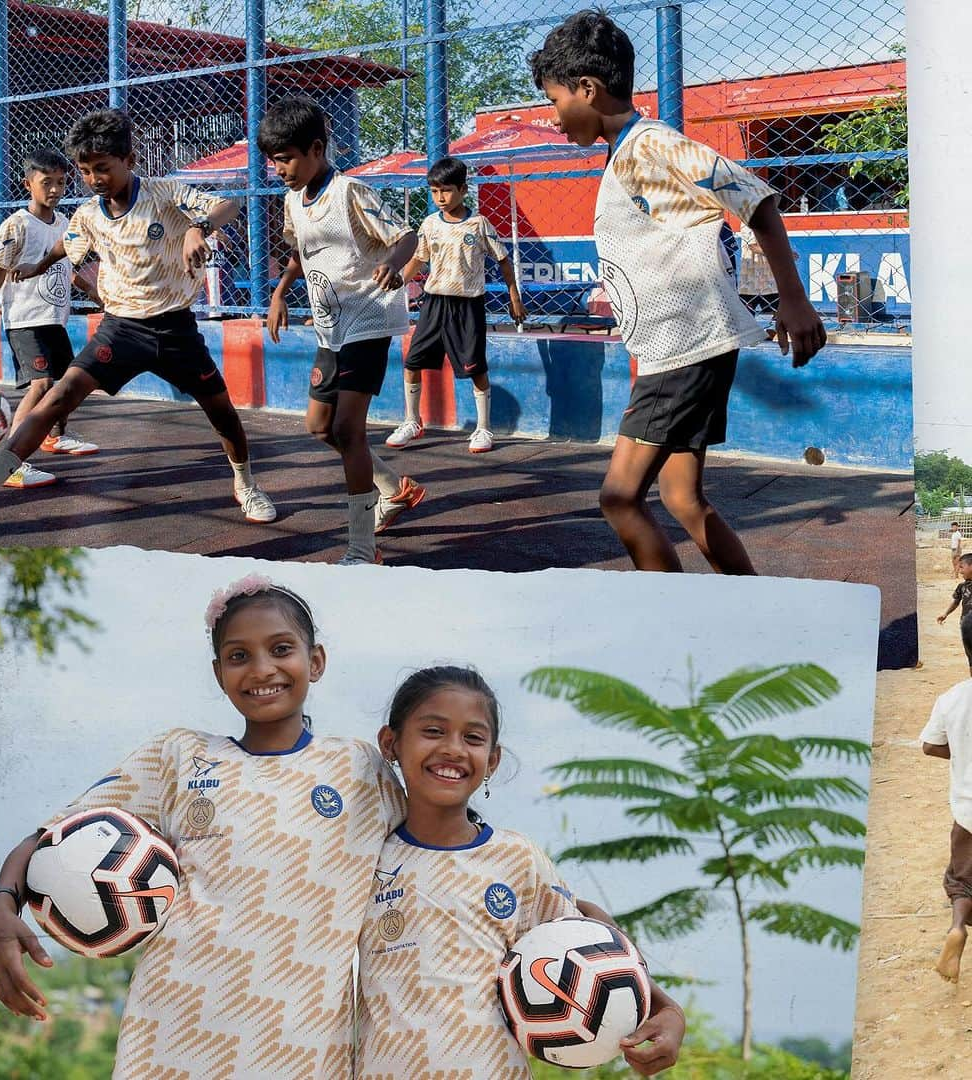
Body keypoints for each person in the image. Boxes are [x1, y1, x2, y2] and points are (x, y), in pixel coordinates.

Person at [0, 575, 406, 1078]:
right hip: (171, 1034)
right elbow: (48, 840)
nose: (262, 669)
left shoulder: (359, 767)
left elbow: (425, 861)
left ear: (315, 662)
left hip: (303, 1048)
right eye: (239, 656)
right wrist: (0, 907)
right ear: (218, 671)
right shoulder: (180, 756)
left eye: (281, 648)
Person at [530, 11, 826, 574]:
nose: (554, 117)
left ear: (588, 90)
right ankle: (761, 611)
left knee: (619, 498)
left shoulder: (650, 145)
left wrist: (794, 298)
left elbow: (755, 198)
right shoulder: (627, 154)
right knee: (683, 498)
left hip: (686, 349)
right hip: (682, 348)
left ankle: (674, 625)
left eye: (555, 100)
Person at [0, 109, 276, 536]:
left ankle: (246, 484)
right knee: (58, 396)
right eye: (85, 171)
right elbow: (67, 243)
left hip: (175, 329)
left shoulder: (165, 193)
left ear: (129, 160)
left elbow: (231, 202)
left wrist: (197, 229)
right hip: (121, 328)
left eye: (102, 168)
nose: (93, 178)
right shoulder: (88, 216)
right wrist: (39, 265)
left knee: (221, 410)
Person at [356, 665, 686, 1077]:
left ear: (492, 759)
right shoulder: (368, 859)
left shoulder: (516, 858)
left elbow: (589, 937)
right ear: (391, 743)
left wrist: (668, 1011)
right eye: (433, 731)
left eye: (472, 738)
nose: (454, 749)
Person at [260, 95, 426, 565]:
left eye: (286, 158)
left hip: (367, 320)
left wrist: (395, 264)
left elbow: (406, 236)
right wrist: (279, 293)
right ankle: (396, 488)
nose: (280, 170)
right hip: (330, 328)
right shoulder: (294, 199)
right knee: (320, 427)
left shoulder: (350, 193)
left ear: (316, 149)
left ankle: (361, 547)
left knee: (349, 430)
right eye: (274, 161)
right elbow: (298, 252)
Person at [0, 149, 102, 490]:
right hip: (24, 321)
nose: (54, 189)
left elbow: (69, 271)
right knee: (40, 385)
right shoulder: (17, 225)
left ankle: (54, 436)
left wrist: (98, 295)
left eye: (60, 182)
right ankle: (10, 461)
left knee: (68, 383)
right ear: (28, 184)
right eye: (46, 183)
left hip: (54, 318)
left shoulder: (66, 224)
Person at [385, 155, 526, 454]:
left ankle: (483, 428)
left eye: (446, 191)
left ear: (463, 190)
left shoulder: (478, 224)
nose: (440, 198)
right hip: (434, 303)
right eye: (435, 191)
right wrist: (396, 283)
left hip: (467, 306)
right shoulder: (429, 224)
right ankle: (412, 421)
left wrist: (514, 296)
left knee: (476, 368)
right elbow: (418, 259)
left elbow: (503, 260)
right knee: (412, 362)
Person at [920, 679, 972, 983]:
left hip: (968, 813)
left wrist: (961, 750)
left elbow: (929, 745)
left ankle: (957, 928)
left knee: (962, 881)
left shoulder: (952, 698)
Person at [937, 553, 972, 675]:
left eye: (962, 567)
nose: (959, 571)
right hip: (967, 628)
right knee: (970, 657)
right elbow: (956, 602)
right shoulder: (962, 587)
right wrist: (945, 613)